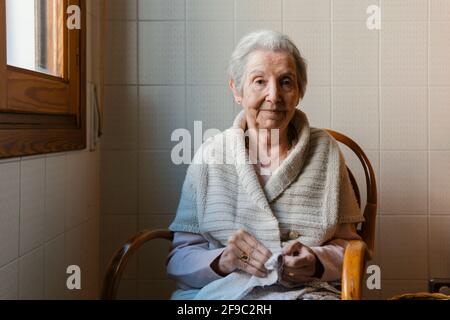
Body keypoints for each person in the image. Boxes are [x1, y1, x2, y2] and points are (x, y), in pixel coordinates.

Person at [166, 30, 364, 300]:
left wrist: (317, 261)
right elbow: (179, 259)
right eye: (259, 81)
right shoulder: (210, 155)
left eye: (286, 82)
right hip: (226, 295)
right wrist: (225, 260)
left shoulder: (325, 151)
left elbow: (352, 247)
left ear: (299, 93)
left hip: (305, 293)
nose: (274, 95)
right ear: (237, 90)